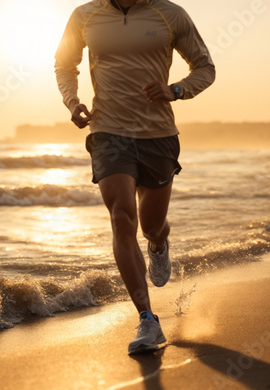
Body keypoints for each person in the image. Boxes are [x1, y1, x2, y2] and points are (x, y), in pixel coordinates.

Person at [55, 0, 215, 354]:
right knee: (122, 216)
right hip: (108, 133)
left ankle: (158, 245)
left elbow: (205, 68)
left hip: (158, 136)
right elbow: (65, 66)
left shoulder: (170, 14)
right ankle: (147, 319)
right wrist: (72, 101)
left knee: (151, 226)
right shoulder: (85, 15)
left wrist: (175, 90)